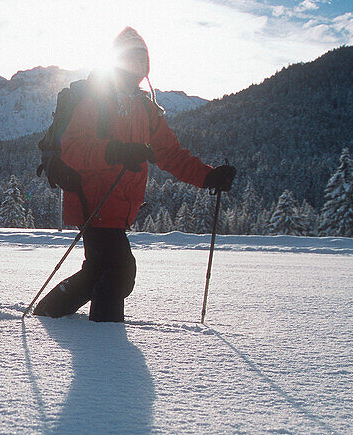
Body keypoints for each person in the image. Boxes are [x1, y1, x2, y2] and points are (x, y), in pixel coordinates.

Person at [34, 27, 236, 322]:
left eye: (142, 60)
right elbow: (72, 149)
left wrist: (208, 177)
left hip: (120, 205)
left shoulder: (146, 108)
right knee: (120, 271)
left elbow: (170, 154)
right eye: (130, 59)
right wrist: (115, 151)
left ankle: (50, 313)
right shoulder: (96, 98)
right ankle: (105, 341)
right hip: (92, 200)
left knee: (97, 271)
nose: (136, 66)